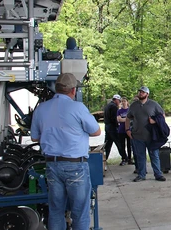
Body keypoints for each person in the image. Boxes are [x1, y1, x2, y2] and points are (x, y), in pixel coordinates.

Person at [31, 73, 101, 230]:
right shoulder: (77, 107)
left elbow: (35, 138)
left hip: (52, 165)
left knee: (56, 211)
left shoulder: (41, 108)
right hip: (75, 166)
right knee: (80, 212)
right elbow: (96, 131)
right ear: (73, 90)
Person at [126, 86, 166, 182]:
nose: (140, 93)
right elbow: (128, 118)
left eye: (143, 92)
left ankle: (158, 174)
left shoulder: (153, 104)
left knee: (154, 155)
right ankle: (141, 174)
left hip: (151, 136)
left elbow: (162, 115)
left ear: (147, 94)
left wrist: (155, 121)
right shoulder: (133, 105)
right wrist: (127, 130)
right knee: (140, 156)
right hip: (137, 135)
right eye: (139, 91)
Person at [104, 94, 128, 163]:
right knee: (119, 142)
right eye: (119, 101)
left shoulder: (108, 106)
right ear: (116, 100)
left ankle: (104, 158)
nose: (119, 103)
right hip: (112, 127)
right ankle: (124, 157)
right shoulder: (114, 107)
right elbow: (114, 119)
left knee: (107, 144)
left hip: (107, 126)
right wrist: (117, 126)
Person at [117, 97, 133, 165]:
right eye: (122, 101)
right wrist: (126, 119)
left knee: (130, 145)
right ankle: (124, 158)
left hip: (129, 130)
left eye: (125, 101)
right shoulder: (119, 111)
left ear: (127, 102)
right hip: (121, 130)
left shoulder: (130, 110)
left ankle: (129, 158)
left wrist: (123, 119)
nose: (123, 102)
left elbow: (132, 119)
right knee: (122, 145)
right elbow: (118, 119)